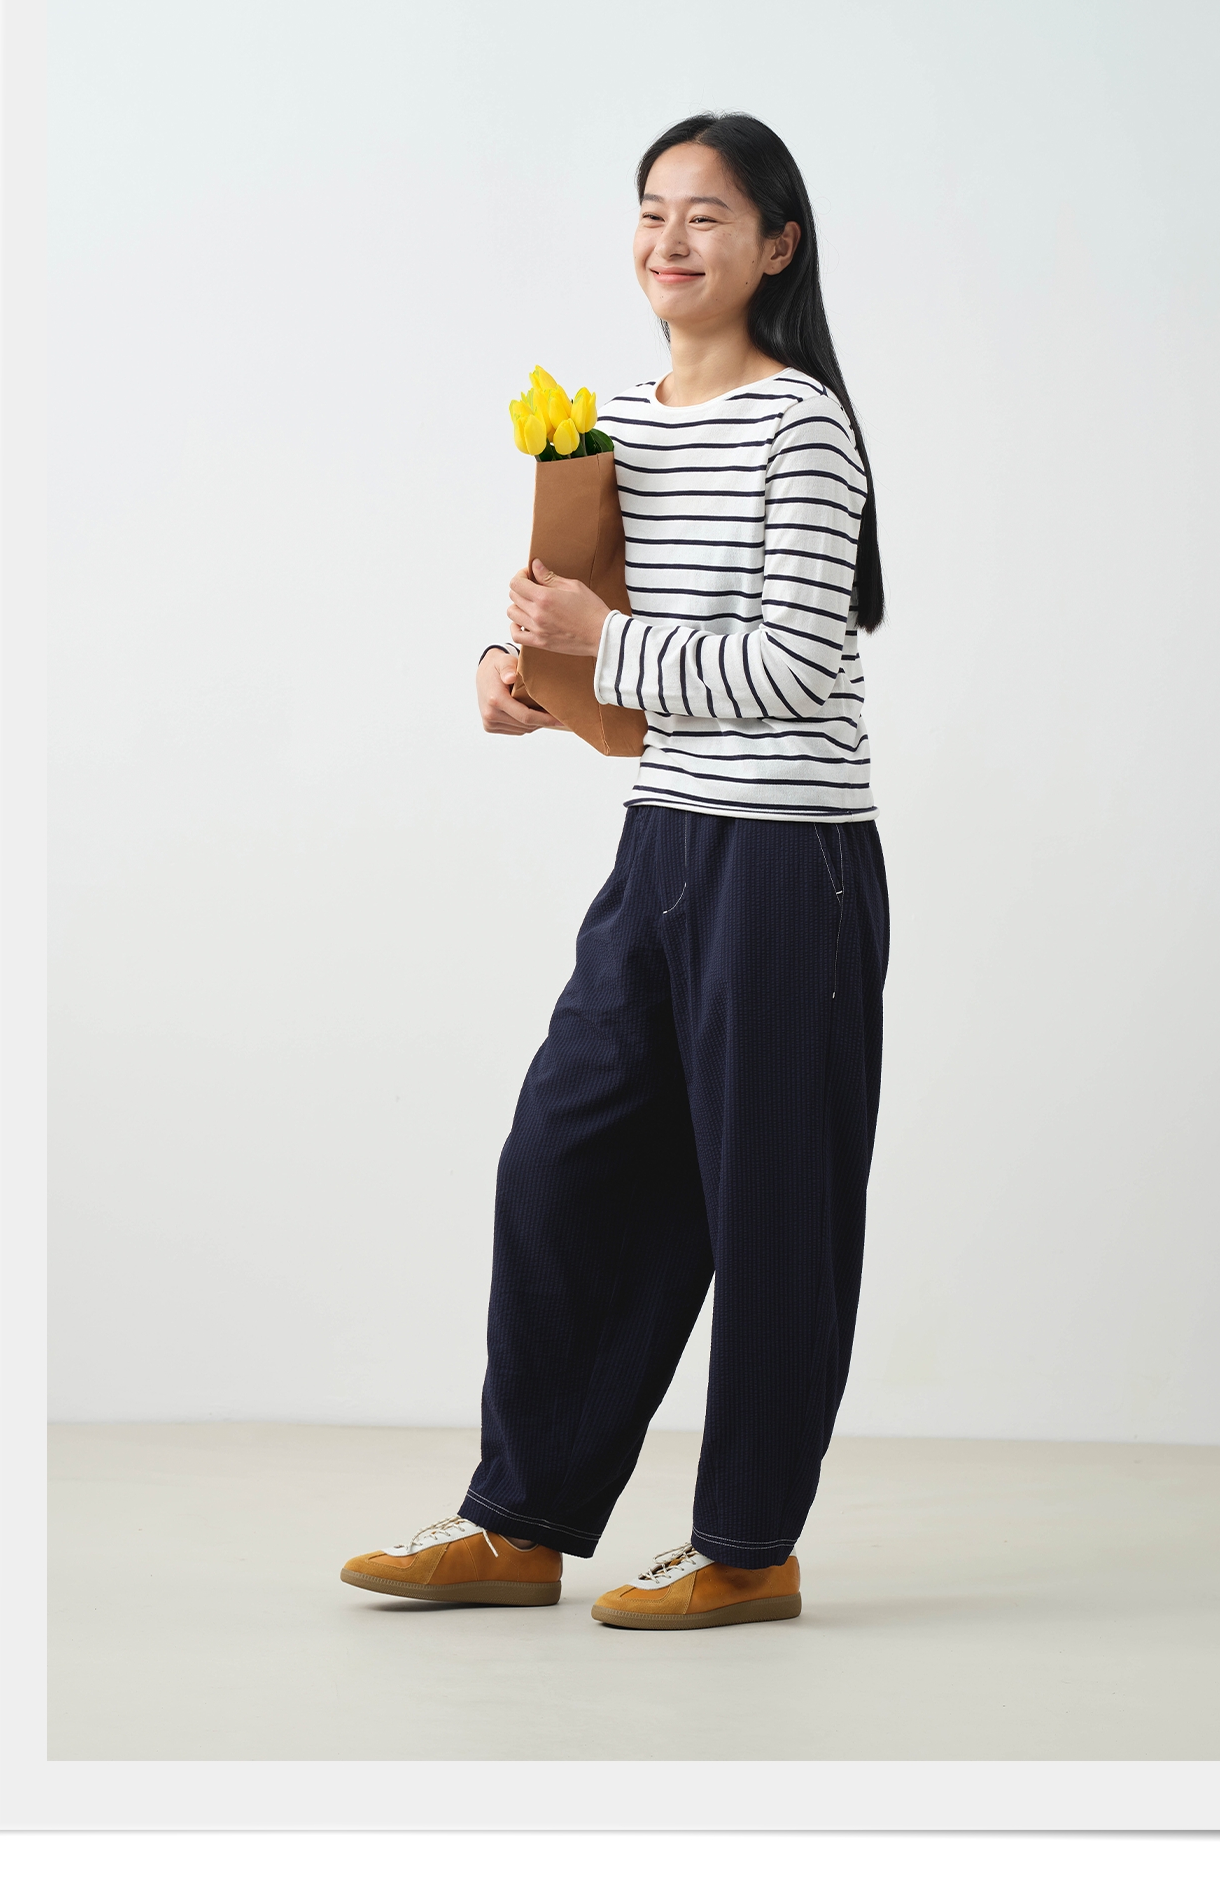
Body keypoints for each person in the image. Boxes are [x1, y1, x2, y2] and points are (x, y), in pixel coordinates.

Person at [341, 112, 890, 1631]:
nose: (671, 240)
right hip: (662, 846)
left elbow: (792, 664)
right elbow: (582, 622)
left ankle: (749, 1548)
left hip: (790, 862)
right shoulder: (607, 429)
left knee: (770, 1205)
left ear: (776, 245)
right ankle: (518, 1524)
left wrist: (606, 642)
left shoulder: (801, 427)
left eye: (707, 215)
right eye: (653, 211)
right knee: (563, 1158)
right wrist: (512, 670)